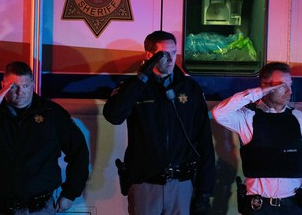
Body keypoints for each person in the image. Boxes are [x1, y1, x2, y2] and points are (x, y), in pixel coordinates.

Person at [0, 61, 89, 215]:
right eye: (13, 86)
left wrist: (70, 193)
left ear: (33, 84)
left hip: (39, 208)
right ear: (3, 85)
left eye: (25, 86)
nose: (20, 92)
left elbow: (79, 151)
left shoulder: (51, 113)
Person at [103, 30, 216, 215]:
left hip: (181, 184)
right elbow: (113, 116)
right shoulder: (133, 88)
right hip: (146, 184)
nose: (171, 59)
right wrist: (141, 79)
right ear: (149, 56)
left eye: (173, 53)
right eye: (163, 54)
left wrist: (204, 191)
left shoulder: (190, 88)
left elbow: (204, 140)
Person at [211, 62, 302, 214]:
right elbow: (219, 113)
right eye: (282, 85)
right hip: (259, 206)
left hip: (293, 205)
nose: (289, 91)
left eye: (290, 84)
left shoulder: (298, 118)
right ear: (266, 86)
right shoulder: (248, 117)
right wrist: (260, 92)